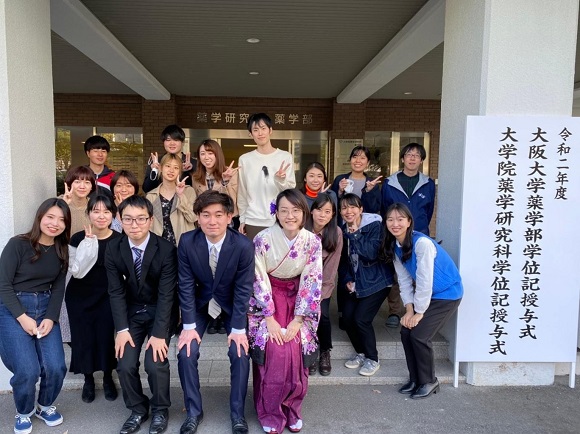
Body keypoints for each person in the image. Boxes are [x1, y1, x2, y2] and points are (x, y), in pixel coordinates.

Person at [176, 190, 254, 434]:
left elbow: (243, 289)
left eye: (219, 215)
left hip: (231, 305)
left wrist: (239, 329)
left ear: (229, 217)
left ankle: (237, 413)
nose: (212, 221)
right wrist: (189, 326)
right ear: (198, 217)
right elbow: (185, 284)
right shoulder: (187, 242)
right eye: (206, 214)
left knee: (240, 353)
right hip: (200, 304)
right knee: (186, 352)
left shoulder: (243, 245)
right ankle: (193, 412)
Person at [248, 189, 322, 434]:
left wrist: (299, 319)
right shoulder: (262, 239)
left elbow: (312, 278)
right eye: (284, 210)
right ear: (276, 213)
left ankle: (292, 408)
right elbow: (258, 276)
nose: (290, 216)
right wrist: (268, 317)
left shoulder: (312, 241)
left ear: (304, 213)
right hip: (268, 300)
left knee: (296, 349)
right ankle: (270, 411)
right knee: (274, 351)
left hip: (298, 301)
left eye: (295, 210)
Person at [105, 195, 178, 434]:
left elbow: (167, 295)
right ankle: (138, 409)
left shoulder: (166, 249)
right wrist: (122, 329)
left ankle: (160, 409)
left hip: (160, 310)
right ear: (119, 219)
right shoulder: (113, 248)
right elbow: (115, 291)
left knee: (155, 363)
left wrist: (159, 334)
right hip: (132, 312)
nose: (134, 225)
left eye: (140, 219)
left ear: (150, 220)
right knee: (125, 363)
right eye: (128, 219)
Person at [0, 198, 71, 434]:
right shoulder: (18, 244)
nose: (55, 223)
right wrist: (22, 317)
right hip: (14, 309)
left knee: (56, 366)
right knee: (27, 370)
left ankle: (44, 406)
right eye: (50, 217)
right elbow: (3, 285)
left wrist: (51, 317)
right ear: (40, 216)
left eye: (61, 220)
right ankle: (24, 411)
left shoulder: (61, 249)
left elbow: (58, 288)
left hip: (45, 307)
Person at [382, 202, 462, 399]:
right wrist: (409, 310)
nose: (395, 224)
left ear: (409, 222)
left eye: (400, 219)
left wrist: (419, 313)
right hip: (428, 295)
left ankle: (429, 381)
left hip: (447, 294)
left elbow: (425, 281)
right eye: (390, 219)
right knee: (405, 331)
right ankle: (416, 379)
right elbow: (404, 281)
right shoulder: (395, 247)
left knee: (419, 335)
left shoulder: (422, 244)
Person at [65, 194, 121, 404]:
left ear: (113, 215)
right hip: (80, 296)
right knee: (83, 338)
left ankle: (107, 377)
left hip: (107, 296)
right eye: (96, 211)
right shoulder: (77, 238)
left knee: (106, 337)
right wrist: (87, 246)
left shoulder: (119, 239)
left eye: (106, 211)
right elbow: (75, 270)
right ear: (88, 214)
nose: (101, 216)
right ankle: (88, 379)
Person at [381, 143, 436, 328]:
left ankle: (419, 311)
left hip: (420, 235)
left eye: (417, 155)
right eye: (409, 154)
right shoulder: (390, 183)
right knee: (397, 274)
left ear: (421, 160)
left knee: (421, 273)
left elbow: (428, 211)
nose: (412, 158)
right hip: (396, 234)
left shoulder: (428, 183)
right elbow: (384, 209)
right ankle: (395, 311)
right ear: (403, 158)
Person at [338, 193, 393, 377]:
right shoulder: (342, 230)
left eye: (353, 207)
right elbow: (343, 262)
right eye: (344, 208)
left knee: (361, 319)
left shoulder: (375, 226)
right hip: (355, 283)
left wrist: (355, 235)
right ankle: (361, 352)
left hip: (377, 281)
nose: (348, 211)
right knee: (347, 319)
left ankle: (372, 358)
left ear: (361, 209)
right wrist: (347, 280)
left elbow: (370, 253)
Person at [191, 139, 239, 335]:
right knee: (209, 270)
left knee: (225, 271)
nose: (206, 157)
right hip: (206, 230)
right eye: (202, 154)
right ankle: (213, 317)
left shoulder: (231, 173)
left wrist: (225, 183)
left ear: (217, 154)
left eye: (210, 153)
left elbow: (233, 204)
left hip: (226, 228)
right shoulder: (196, 178)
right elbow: (197, 205)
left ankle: (223, 313)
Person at [237, 113, 296, 241]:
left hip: (279, 219)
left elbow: (290, 191)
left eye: (263, 128)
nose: (260, 133)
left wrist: (280, 180)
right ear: (250, 134)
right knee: (254, 254)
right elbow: (242, 192)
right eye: (255, 130)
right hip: (253, 219)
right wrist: (243, 218)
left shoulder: (285, 157)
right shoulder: (245, 160)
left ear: (270, 130)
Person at [304, 193, 342, 376]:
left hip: (322, 285)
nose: (322, 215)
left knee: (323, 315)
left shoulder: (336, 233)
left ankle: (325, 350)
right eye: (319, 210)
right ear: (311, 211)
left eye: (327, 211)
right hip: (299, 282)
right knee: (303, 316)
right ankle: (310, 350)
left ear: (332, 214)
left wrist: (318, 294)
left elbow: (331, 267)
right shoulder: (301, 229)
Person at [145, 153, 197, 246]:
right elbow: (148, 225)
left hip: (184, 245)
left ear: (180, 172)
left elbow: (193, 218)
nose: (171, 170)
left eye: (176, 168)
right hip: (159, 246)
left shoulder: (188, 191)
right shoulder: (151, 196)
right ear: (161, 168)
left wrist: (181, 195)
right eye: (168, 166)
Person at [330, 145, 382, 226]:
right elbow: (331, 205)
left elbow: (374, 209)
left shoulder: (372, 184)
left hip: (364, 228)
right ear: (350, 160)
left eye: (362, 158)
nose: (358, 161)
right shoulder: (340, 179)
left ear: (368, 163)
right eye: (355, 157)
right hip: (342, 227)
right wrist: (340, 192)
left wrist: (368, 191)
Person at [142, 125, 197, 194]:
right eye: (168, 140)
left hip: (186, 200)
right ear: (163, 142)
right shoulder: (157, 162)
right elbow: (147, 189)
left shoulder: (193, 163)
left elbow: (197, 189)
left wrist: (189, 171)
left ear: (182, 142)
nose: (172, 143)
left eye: (176, 140)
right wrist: (154, 171)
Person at [61, 165, 96, 235]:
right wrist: (63, 205)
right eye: (77, 182)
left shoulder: (94, 206)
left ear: (92, 186)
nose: (82, 187)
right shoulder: (57, 203)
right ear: (69, 184)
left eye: (87, 182)